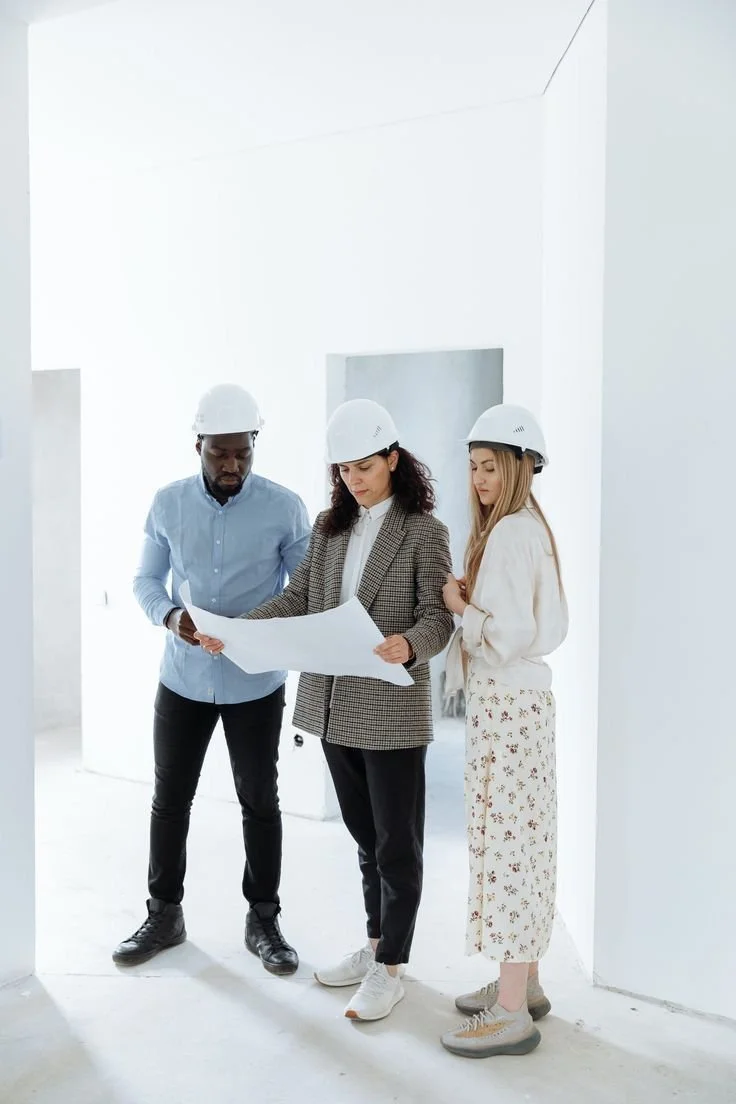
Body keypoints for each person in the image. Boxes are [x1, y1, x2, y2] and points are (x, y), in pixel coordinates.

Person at [198, 398, 454, 1021]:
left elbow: (439, 617)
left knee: (398, 844)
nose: (353, 480)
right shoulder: (330, 526)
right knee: (365, 839)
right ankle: (375, 946)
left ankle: (393, 966)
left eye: (364, 467)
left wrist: (412, 644)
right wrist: (235, 630)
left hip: (391, 705)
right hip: (337, 707)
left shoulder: (425, 532)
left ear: (394, 460)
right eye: (343, 470)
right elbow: (299, 602)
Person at [113, 384, 311, 975]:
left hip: (256, 684)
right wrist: (173, 618)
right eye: (218, 454)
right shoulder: (167, 504)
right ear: (196, 444)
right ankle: (163, 914)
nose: (231, 466)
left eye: (242, 454)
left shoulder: (284, 507)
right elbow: (146, 582)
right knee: (170, 798)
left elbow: (301, 592)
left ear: (255, 444)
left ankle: (265, 920)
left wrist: (258, 627)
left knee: (260, 801)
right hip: (183, 680)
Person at [439, 403, 568, 1059]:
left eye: (490, 467)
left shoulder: (513, 533)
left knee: (509, 850)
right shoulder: (526, 529)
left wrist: (461, 605)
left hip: (509, 707)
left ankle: (512, 1013)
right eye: (473, 468)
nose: (479, 480)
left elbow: (504, 635)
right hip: (522, 708)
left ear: (520, 468)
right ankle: (526, 983)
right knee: (524, 845)